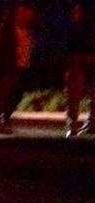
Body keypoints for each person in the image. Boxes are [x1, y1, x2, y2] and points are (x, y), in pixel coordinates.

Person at [0, 2, 37, 135]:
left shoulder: (25, 30)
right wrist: (0, 66)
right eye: (26, 14)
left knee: (10, 96)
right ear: (19, 13)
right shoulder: (7, 30)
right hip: (6, 68)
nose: (29, 18)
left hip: (19, 67)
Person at [65, 3, 95, 136]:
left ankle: (88, 123)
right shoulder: (73, 29)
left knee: (84, 96)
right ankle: (73, 125)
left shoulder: (84, 29)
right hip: (77, 66)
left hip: (83, 65)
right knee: (74, 97)